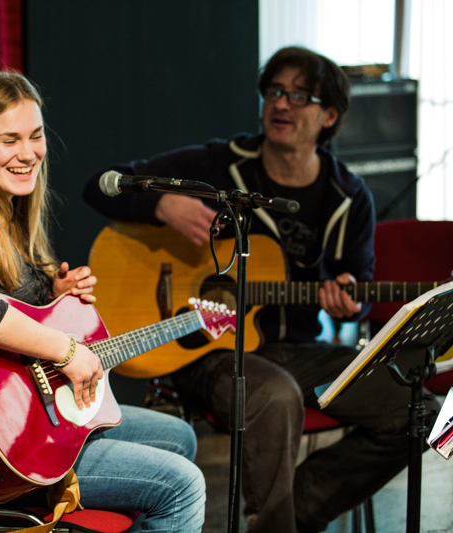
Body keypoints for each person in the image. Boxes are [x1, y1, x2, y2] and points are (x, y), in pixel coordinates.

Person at [83, 46, 438, 533]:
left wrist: (353, 296)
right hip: (208, 350)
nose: (282, 104)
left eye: (299, 95)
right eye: (274, 92)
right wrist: (161, 205)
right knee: (275, 394)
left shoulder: (349, 196)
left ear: (329, 115)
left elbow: (361, 289)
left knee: (414, 407)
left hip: (297, 348)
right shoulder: (219, 165)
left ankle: (288, 517)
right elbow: (100, 186)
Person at [0, 70, 206, 532]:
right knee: (183, 485)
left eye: (35, 135)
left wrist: (53, 297)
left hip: (34, 418)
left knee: (179, 436)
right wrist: (69, 351)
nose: (28, 154)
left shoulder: (7, 211)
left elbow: (10, 306)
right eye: (9, 140)